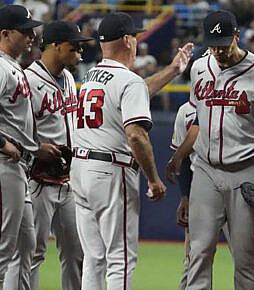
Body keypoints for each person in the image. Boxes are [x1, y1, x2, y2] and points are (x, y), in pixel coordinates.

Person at [167, 10, 254, 289]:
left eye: (224, 43)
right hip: (206, 172)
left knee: (246, 257)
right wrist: (178, 157)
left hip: (245, 172)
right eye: (213, 44)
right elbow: (199, 119)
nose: (218, 50)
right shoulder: (200, 67)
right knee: (198, 251)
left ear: (238, 36)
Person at [70, 12, 192, 290]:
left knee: (94, 257)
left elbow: (134, 91)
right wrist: (153, 179)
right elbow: (136, 136)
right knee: (121, 259)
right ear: (127, 40)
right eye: (135, 36)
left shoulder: (91, 76)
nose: (137, 41)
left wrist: (172, 70)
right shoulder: (128, 81)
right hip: (110, 171)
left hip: (80, 169)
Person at [23, 21, 92, 290]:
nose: (80, 50)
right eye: (75, 45)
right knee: (32, 255)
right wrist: (35, 147)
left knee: (78, 254)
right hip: (36, 181)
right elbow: (11, 128)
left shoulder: (68, 80)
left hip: (69, 181)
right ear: (56, 45)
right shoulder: (27, 80)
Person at [0, 5, 59, 290]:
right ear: (5, 33)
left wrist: (34, 149)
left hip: (21, 165)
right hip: (4, 166)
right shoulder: (0, 66)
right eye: (24, 31)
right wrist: (2, 144)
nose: (32, 35)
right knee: (3, 247)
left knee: (27, 246)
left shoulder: (15, 67)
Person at [168, 100, 231, 290]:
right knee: (194, 255)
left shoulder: (234, 99)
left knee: (245, 256)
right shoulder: (185, 111)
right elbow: (185, 159)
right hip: (200, 183)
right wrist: (185, 196)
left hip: (238, 179)